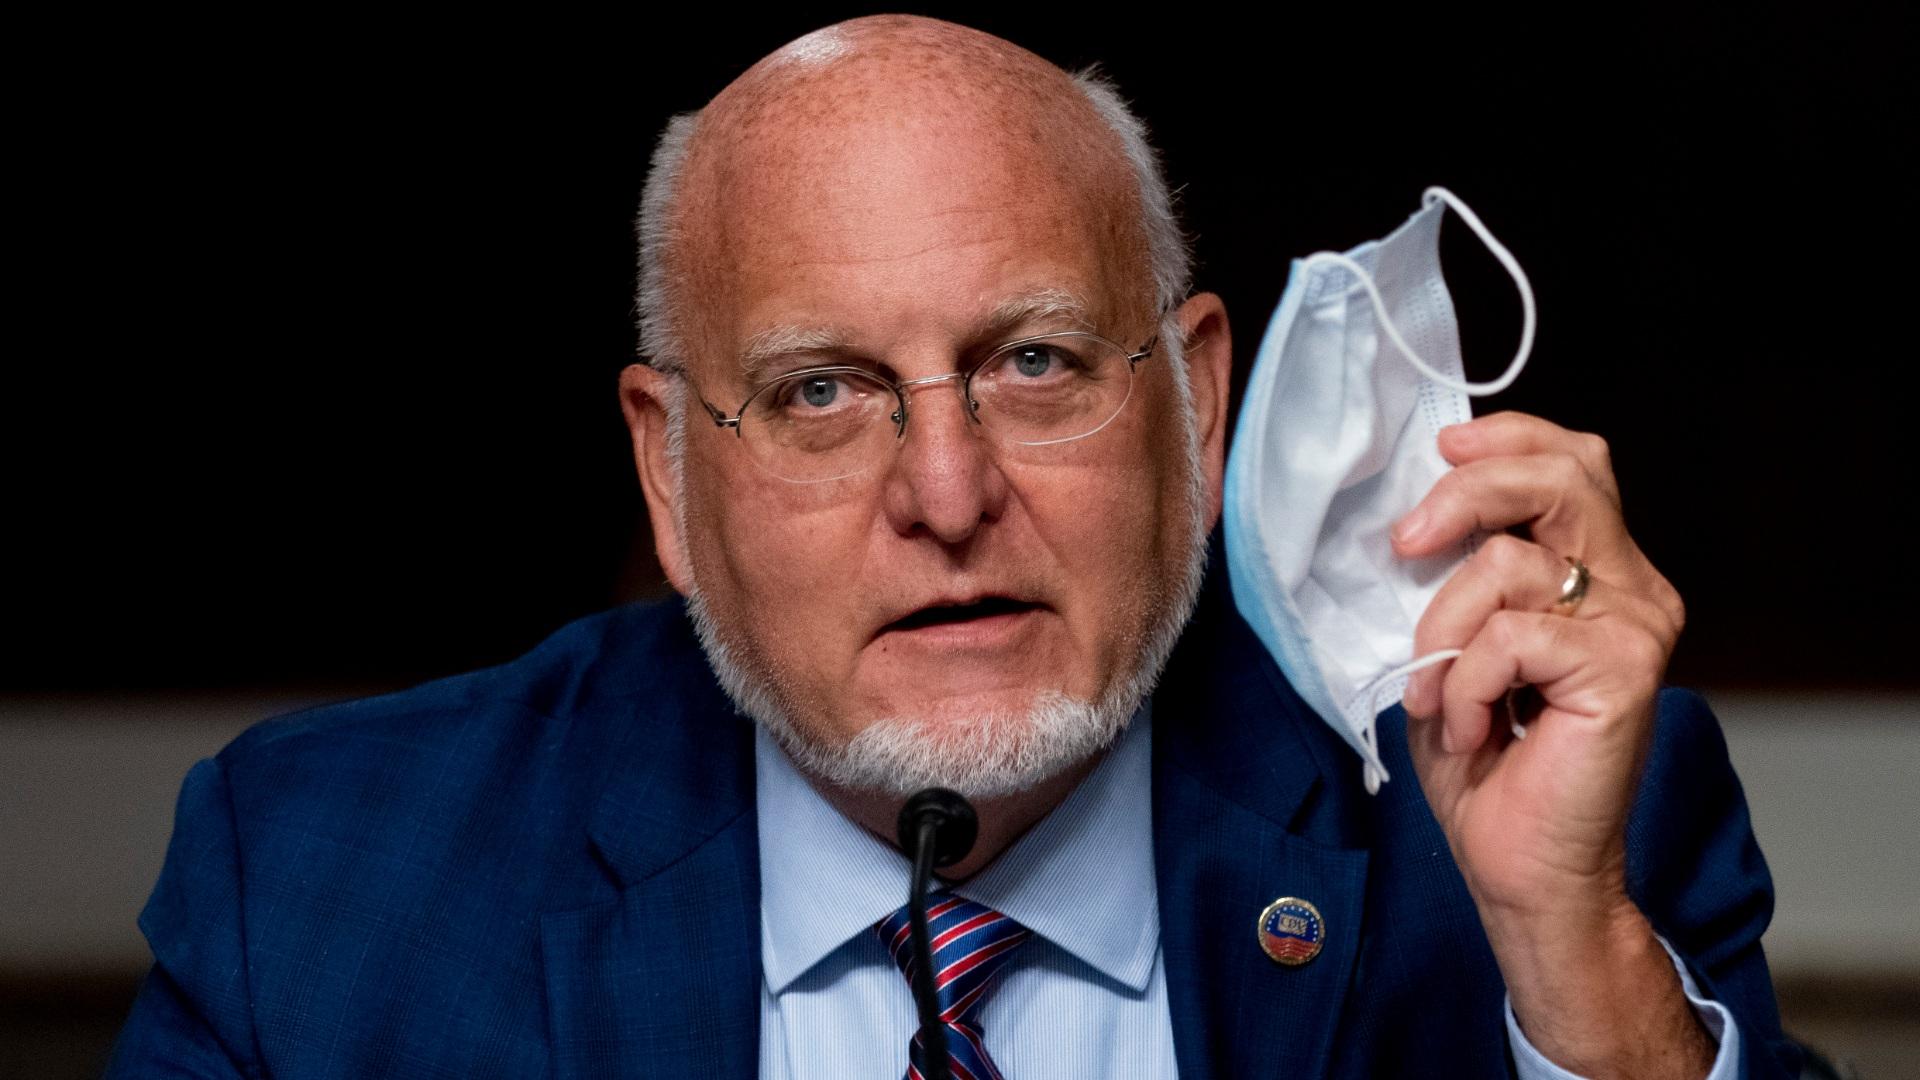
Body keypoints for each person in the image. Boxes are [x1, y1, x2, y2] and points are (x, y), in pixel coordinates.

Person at [109, 15, 1800, 1079]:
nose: (944, 490)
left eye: (1035, 363)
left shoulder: (1561, 822)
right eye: (824, 390)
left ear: (1199, 408)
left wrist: (1587, 994)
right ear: (670, 471)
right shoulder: (326, 886)